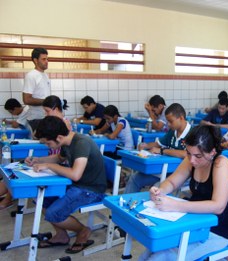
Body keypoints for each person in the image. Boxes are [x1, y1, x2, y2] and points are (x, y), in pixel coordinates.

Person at [139, 125, 228, 260]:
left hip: (218, 229)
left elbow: (218, 206)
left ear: (212, 152)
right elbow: (173, 182)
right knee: (152, 249)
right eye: (188, 153)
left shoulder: (220, 164)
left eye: (198, 156)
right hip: (194, 221)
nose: (192, 160)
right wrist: (160, 191)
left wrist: (175, 205)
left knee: (163, 256)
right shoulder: (192, 159)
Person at [26, 116, 106, 254]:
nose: (47, 146)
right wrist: (38, 160)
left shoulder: (82, 142)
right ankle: (61, 235)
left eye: (48, 143)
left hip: (91, 190)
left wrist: (49, 165)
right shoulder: (66, 142)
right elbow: (59, 158)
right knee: (41, 200)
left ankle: (83, 230)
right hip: (77, 185)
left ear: (58, 137)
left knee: (53, 213)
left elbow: (75, 174)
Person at [124, 103, 191, 193]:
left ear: (181, 118)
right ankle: (128, 206)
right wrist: (146, 145)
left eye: (171, 121)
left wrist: (163, 151)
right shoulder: (173, 132)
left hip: (181, 175)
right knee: (135, 178)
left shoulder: (193, 133)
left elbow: (186, 153)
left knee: (156, 188)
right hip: (163, 170)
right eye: (167, 121)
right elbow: (158, 143)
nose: (168, 124)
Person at [22, 48, 51, 132]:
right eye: (43, 59)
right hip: (36, 119)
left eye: (47, 59)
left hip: (45, 116)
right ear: (35, 60)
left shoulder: (45, 75)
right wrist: (47, 101)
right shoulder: (31, 76)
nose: (46, 61)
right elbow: (26, 99)